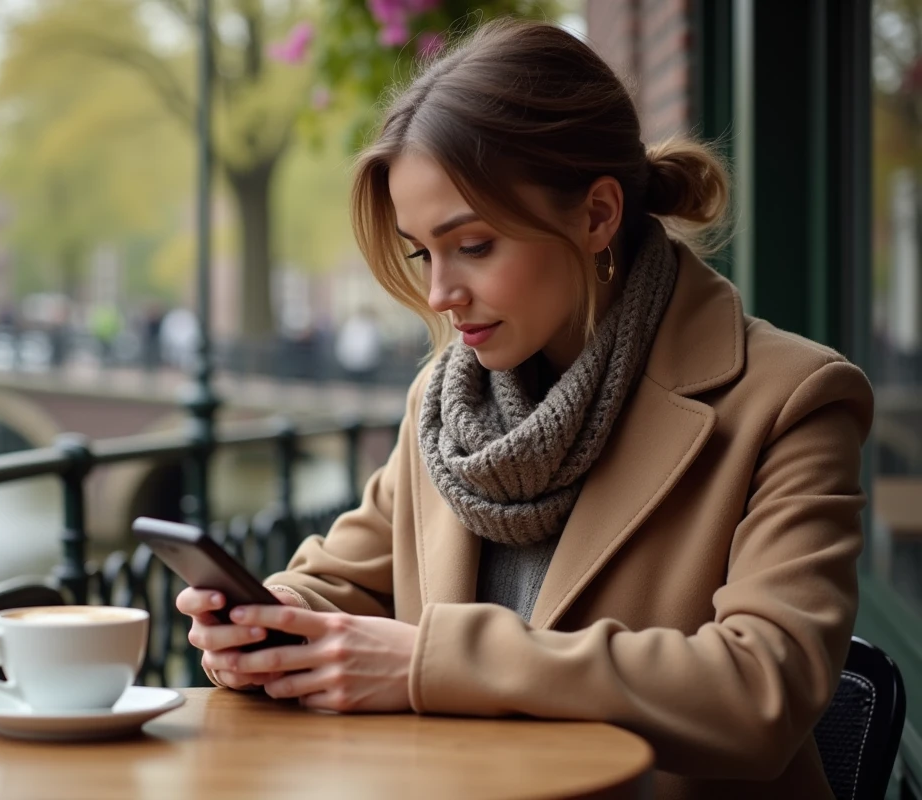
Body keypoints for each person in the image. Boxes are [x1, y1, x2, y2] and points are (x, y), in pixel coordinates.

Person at [176, 19, 872, 800]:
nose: (439, 294)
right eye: (422, 252)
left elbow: (759, 691)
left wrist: (426, 664)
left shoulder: (793, 399)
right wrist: (270, 625)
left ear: (597, 215)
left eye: (472, 245)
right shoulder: (445, 400)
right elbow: (340, 580)